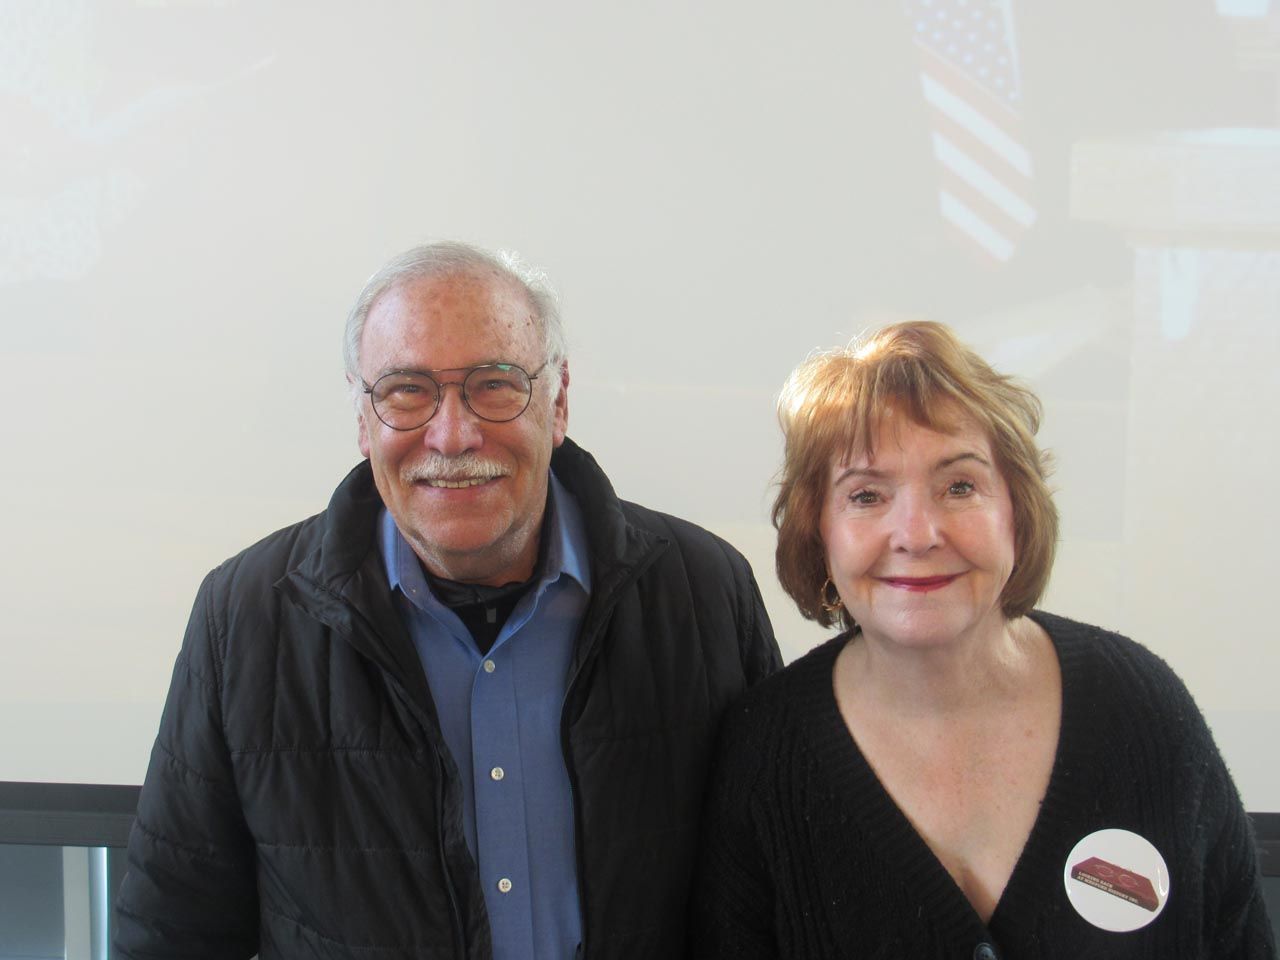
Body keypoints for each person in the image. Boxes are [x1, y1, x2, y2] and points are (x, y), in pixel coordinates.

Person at [114, 241, 781, 959]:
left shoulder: (703, 595)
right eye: (407, 390)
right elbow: (172, 933)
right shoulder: (244, 619)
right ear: (363, 418)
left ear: (556, 403)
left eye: (494, 384)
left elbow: (772, 905)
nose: (453, 434)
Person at [691, 321, 1275, 959]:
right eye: (866, 494)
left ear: (1017, 511)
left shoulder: (1143, 708)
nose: (917, 533)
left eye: (959, 486)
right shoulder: (765, 756)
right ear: (817, 533)